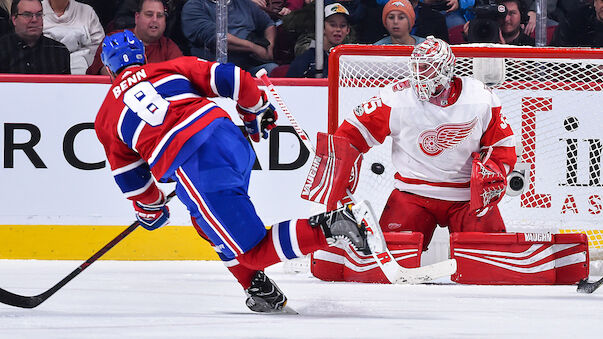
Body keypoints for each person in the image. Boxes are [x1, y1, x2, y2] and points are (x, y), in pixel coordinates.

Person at [94, 30, 370, 313]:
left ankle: (334, 225)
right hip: (229, 140)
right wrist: (254, 110)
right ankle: (258, 289)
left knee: (253, 253)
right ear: (143, 55)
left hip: (198, 164)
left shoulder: (106, 116)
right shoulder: (171, 67)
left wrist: (151, 209)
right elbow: (235, 79)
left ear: (108, 69)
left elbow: (132, 180)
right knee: (205, 222)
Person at [304, 36, 516, 256]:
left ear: (446, 69)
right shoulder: (396, 98)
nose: (418, 75)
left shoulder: (480, 97)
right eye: (415, 67)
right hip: (412, 194)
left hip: (467, 198)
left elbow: (503, 145)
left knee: (491, 262)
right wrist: (339, 165)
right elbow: (354, 130)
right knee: (389, 258)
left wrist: (495, 169)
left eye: (426, 68)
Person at [181, 0, 278, 76]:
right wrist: (254, 48)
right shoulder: (194, 6)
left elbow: (268, 24)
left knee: (273, 70)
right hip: (213, 72)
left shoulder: (243, 3)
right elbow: (216, 38)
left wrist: (270, 47)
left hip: (247, 69)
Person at [86, 0, 183, 75]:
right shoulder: (114, 39)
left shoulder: (169, 47)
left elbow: (181, 75)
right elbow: (104, 73)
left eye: (160, 16)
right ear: (137, 17)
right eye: (149, 15)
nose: (155, 20)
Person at [0, 0, 70, 74]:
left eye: (39, 14)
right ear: (14, 19)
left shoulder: (59, 51)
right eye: (27, 15)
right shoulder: (2, 49)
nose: (34, 20)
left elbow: (66, 85)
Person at [286, 3, 350, 78]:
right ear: (322, 27)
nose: (338, 29)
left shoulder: (350, 59)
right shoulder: (306, 58)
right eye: (333, 25)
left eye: (342, 26)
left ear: (348, 30)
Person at [41, 0, 105, 74]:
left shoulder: (87, 11)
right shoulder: (36, 11)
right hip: (45, 70)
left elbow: (99, 49)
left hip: (84, 73)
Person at [462, 0, 534, 45]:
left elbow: (528, 69)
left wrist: (504, 51)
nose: (506, 19)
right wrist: (471, 39)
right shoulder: (484, 39)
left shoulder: (530, 44)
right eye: (502, 14)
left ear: (521, 15)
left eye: (512, 13)